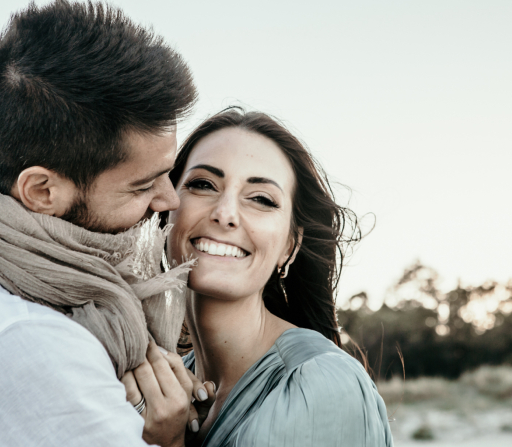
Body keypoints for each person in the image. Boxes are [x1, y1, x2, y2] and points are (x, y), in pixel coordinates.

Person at [0, 0, 212, 447]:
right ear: (43, 192)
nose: (169, 199)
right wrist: (167, 440)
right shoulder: (36, 346)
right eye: (142, 185)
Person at [163, 108, 394, 446]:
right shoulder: (166, 382)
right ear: (166, 206)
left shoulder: (322, 386)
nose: (225, 213)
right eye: (203, 184)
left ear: (289, 245)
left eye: (260, 199)